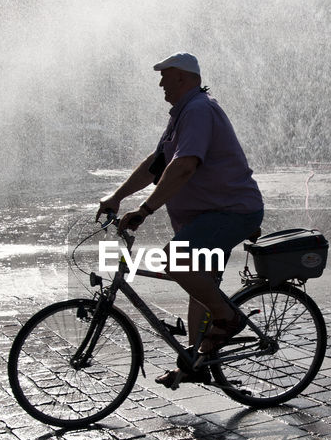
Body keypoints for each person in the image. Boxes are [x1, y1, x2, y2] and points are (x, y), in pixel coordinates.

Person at [97, 53, 265, 388]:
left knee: (175, 262)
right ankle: (198, 363)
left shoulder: (199, 110)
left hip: (230, 212)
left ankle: (229, 318)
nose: (160, 83)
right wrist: (117, 197)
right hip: (210, 216)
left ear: (183, 79)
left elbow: (185, 165)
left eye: (165, 76)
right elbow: (156, 164)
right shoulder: (183, 115)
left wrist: (144, 210)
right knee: (199, 289)